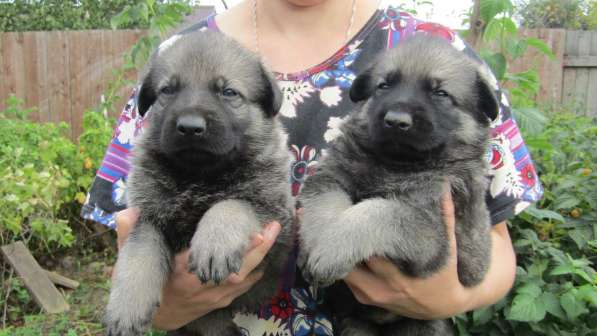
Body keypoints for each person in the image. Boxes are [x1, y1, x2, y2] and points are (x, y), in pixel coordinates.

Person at [81, 0, 544, 334]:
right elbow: (131, 233)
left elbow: (493, 250)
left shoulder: (442, 50)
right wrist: (161, 305)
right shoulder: (179, 49)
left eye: (228, 94)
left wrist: (450, 299)